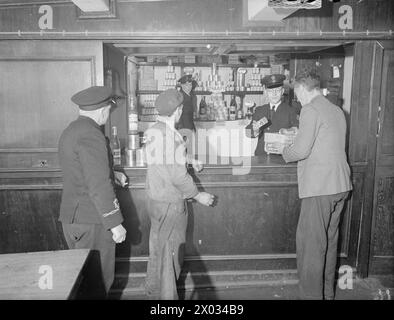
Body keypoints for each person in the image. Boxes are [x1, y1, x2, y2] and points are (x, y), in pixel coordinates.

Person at [278, 69, 352, 300]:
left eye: (296, 93)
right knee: (329, 244)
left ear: (302, 89)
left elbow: (300, 151)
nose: (296, 98)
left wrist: (283, 151)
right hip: (340, 185)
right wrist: (297, 133)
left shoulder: (309, 109)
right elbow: (325, 141)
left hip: (320, 188)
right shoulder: (336, 109)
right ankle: (327, 294)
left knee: (311, 248)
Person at [144, 89, 215, 300]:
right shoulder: (168, 135)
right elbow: (176, 175)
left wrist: (188, 160)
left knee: (158, 252)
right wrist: (197, 195)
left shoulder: (155, 129)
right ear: (178, 110)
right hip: (169, 203)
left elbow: (164, 161)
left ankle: (152, 294)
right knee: (170, 258)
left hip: (156, 200)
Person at [58, 85, 128, 298]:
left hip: (73, 219)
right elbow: (98, 185)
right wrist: (115, 224)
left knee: (82, 283)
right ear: (103, 109)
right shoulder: (91, 134)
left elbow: (81, 170)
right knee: (96, 286)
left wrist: (113, 174)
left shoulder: (72, 130)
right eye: (109, 108)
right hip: (92, 221)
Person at [245, 74, 299, 155]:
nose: (274, 94)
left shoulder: (291, 111)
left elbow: (297, 130)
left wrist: (289, 132)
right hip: (261, 156)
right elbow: (247, 133)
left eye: (277, 90)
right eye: (271, 91)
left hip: (281, 157)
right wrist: (255, 130)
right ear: (266, 92)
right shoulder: (260, 110)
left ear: (282, 91)